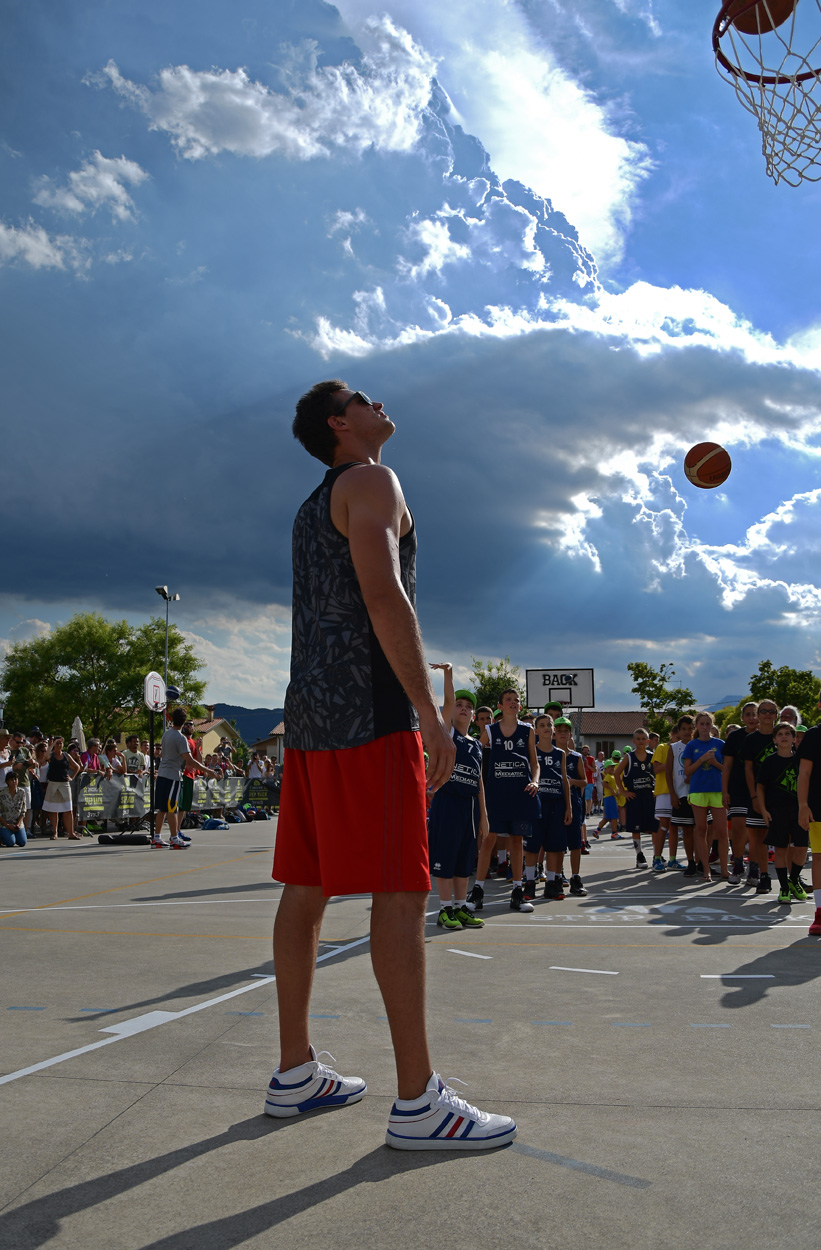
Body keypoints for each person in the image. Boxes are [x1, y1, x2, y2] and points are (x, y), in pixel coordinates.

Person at [268, 381, 516, 1150]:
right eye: (363, 398)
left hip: (309, 716)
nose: (380, 403)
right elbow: (383, 595)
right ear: (341, 425)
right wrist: (430, 711)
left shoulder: (315, 504)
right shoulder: (372, 478)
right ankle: (418, 1104)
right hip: (366, 714)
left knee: (304, 890)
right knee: (402, 895)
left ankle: (294, 1073)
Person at [468, 688, 539, 914]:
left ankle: (517, 892)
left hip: (520, 793)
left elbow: (535, 764)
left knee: (517, 841)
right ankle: (478, 891)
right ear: (500, 706)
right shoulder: (489, 730)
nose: (513, 702)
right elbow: (474, 757)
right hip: (496, 793)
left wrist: (535, 781)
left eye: (516, 700)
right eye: (508, 699)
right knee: (488, 840)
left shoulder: (528, 730)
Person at [427, 664, 486, 931]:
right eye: (460, 704)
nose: (463, 708)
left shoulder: (476, 745)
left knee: (464, 862)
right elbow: (448, 701)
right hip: (447, 803)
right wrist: (448, 674)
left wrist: (484, 816)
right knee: (445, 859)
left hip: (470, 807)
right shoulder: (447, 733)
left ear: (474, 716)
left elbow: (479, 782)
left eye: (468, 706)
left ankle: (461, 907)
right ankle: (444, 909)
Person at [757, 722, 808, 904]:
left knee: (801, 847)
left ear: (795, 739)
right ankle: (784, 888)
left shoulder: (801, 760)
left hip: (799, 810)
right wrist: (763, 810)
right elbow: (760, 787)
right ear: (775, 739)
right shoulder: (770, 761)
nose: (784, 736)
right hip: (777, 810)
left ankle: (794, 879)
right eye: (780, 734)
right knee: (780, 848)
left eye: (788, 733)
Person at [153, 708, 216, 848]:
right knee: (172, 808)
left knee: (162, 809)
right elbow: (189, 761)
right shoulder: (180, 738)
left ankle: (156, 837)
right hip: (172, 776)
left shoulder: (166, 734)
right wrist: (208, 771)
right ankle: (174, 838)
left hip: (163, 774)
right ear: (183, 722)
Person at [681, 713, 727, 884]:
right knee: (701, 831)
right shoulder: (692, 745)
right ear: (697, 726)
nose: (705, 727)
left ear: (712, 725)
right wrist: (701, 759)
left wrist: (714, 762)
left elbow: (727, 769)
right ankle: (705, 870)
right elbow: (687, 771)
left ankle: (724, 869)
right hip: (698, 791)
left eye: (708, 724)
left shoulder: (720, 744)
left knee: (722, 832)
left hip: (717, 790)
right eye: (702, 724)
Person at [722, 702, 759, 884]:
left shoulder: (767, 736)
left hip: (761, 790)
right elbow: (727, 766)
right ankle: (737, 865)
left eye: (755, 714)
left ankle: (754, 868)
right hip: (737, 788)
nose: (752, 718)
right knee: (738, 830)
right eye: (748, 715)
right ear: (742, 718)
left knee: (756, 832)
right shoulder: (735, 737)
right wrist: (724, 791)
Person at [615, 728, 655, 869]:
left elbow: (657, 774)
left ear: (648, 741)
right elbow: (617, 773)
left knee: (654, 827)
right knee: (636, 827)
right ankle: (639, 854)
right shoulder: (629, 757)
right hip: (635, 796)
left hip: (649, 795)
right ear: (633, 741)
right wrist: (623, 791)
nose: (641, 741)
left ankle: (657, 856)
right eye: (638, 739)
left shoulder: (652, 756)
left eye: (643, 739)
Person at [797, 709, 821, 934]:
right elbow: (804, 773)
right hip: (819, 808)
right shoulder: (814, 735)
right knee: (820, 859)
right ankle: (820, 913)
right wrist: (803, 805)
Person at [43, 737, 83, 840]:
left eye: (61, 743)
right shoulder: (51, 755)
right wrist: (52, 744)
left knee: (68, 809)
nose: (59, 745)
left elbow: (77, 767)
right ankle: (55, 832)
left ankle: (71, 832)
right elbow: (46, 756)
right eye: (58, 743)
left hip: (64, 783)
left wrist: (71, 777)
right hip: (53, 783)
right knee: (53, 809)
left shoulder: (66, 755)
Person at [0, 771, 28, 846]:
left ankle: (14, 835)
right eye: (12, 780)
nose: (14, 781)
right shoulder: (2, 793)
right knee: (10, 842)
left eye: (16, 779)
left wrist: (18, 824)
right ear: (7, 781)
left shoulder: (22, 792)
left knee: (22, 842)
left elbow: (23, 811)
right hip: (4, 823)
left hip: (17, 823)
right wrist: (7, 825)